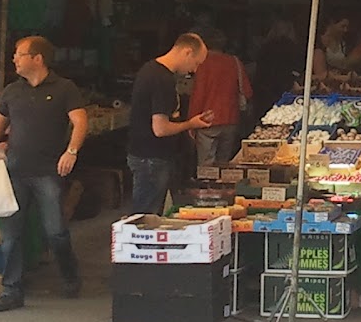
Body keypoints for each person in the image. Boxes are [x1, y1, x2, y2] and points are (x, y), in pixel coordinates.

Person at [0, 35, 86, 312]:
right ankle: (12, 290)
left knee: (55, 231)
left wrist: (71, 151)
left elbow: (80, 121)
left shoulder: (64, 88)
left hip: (48, 171)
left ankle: (70, 276)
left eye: (19, 54)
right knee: (11, 235)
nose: (14, 59)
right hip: (15, 170)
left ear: (37, 59)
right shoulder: (12, 91)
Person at [129, 33, 214, 214]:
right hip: (151, 158)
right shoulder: (161, 78)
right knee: (146, 217)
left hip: (148, 156)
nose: (194, 70)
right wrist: (190, 124)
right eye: (196, 63)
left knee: (149, 213)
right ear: (187, 52)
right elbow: (160, 128)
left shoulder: (151, 70)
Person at [186, 28, 252, 165]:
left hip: (207, 121)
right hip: (231, 119)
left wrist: (191, 123)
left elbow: (198, 95)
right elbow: (247, 92)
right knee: (224, 164)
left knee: (206, 166)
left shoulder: (201, 64)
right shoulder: (234, 62)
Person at [251, 19, 303, 117]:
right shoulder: (291, 47)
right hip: (284, 89)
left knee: (264, 118)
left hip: (263, 90)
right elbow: (297, 68)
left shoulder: (265, 47)